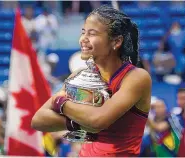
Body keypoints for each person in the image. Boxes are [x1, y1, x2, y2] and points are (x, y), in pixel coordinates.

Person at [31, 5, 151, 156]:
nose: (83, 39)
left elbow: (98, 121)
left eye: (92, 34)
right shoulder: (79, 74)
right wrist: (79, 122)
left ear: (116, 42)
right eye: (83, 33)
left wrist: (60, 102)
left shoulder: (136, 77)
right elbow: (38, 119)